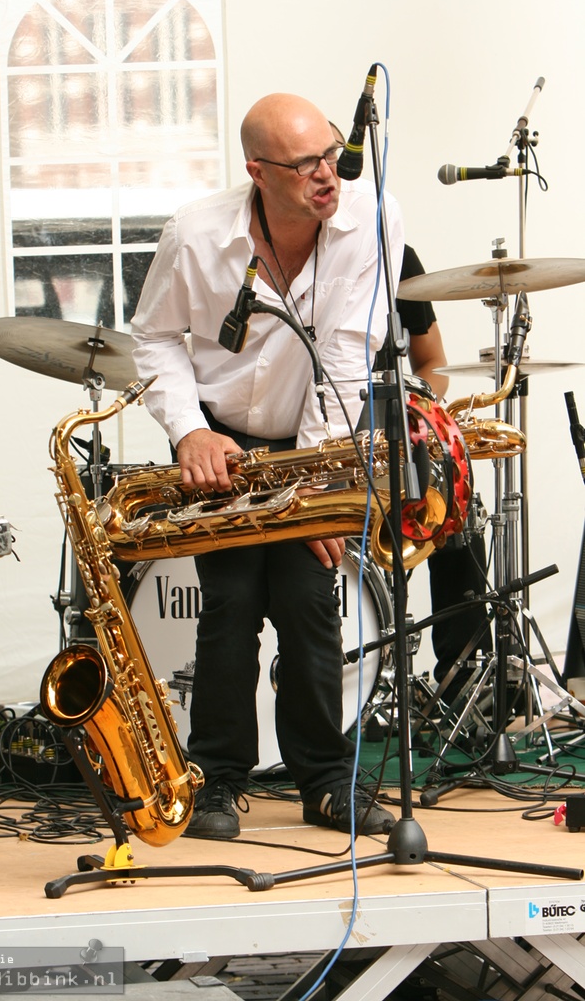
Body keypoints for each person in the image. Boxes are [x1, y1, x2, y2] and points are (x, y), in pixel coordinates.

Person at [130, 92, 404, 840]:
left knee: (313, 606)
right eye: (305, 163)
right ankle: (217, 782)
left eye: (331, 153)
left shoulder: (369, 218)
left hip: (309, 441)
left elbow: (349, 355)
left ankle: (325, 783)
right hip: (219, 441)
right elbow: (152, 339)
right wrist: (189, 432)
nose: (328, 174)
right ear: (257, 170)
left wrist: (313, 480)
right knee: (229, 612)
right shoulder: (194, 233)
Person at [393, 245, 493, 703]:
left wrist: (410, 413)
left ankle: (465, 686)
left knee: (456, 508)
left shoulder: (394, 253)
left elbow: (432, 361)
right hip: (311, 440)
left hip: (385, 429)